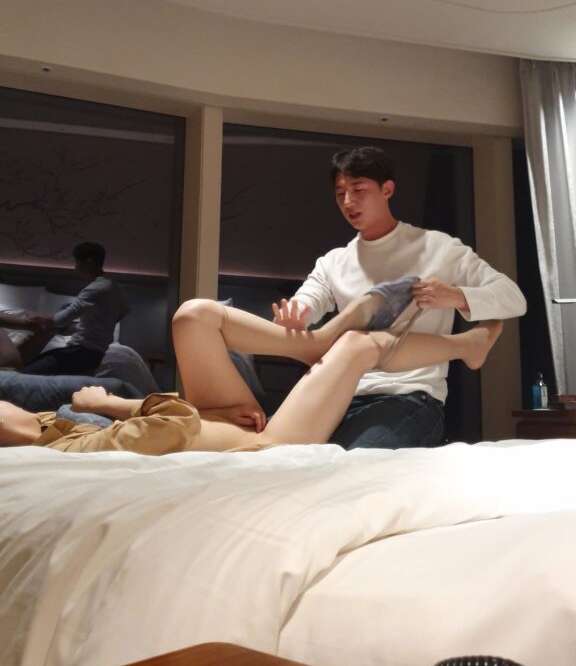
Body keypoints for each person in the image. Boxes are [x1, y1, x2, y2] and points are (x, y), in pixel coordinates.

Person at [0, 291, 503, 452]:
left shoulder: (54, 423)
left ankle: (312, 345)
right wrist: (109, 404)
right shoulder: (72, 449)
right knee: (355, 347)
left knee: (195, 316)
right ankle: (468, 346)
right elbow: (167, 426)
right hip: (263, 447)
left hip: (213, 422)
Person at [271, 145, 527, 450]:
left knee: (353, 464)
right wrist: (293, 318)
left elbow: (513, 297)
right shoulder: (333, 262)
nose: (348, 202)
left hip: (408, 397)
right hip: (338, 394)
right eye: (340, 194)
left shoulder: (437, 247)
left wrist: (456, 296)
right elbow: (305, 302)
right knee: (280, 455)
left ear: (387, 189)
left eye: (358, 190)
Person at [23, 242, 130, 377]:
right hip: (95, 355)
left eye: (77, 263)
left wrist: (35, 316)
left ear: (88, 263)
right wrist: (95, 326)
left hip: (81, 352)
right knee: (36, 361)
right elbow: (123, 311)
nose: (75, 268)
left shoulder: (94, 289)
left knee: (25, 374)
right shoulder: (113, 286)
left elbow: (59, 320)